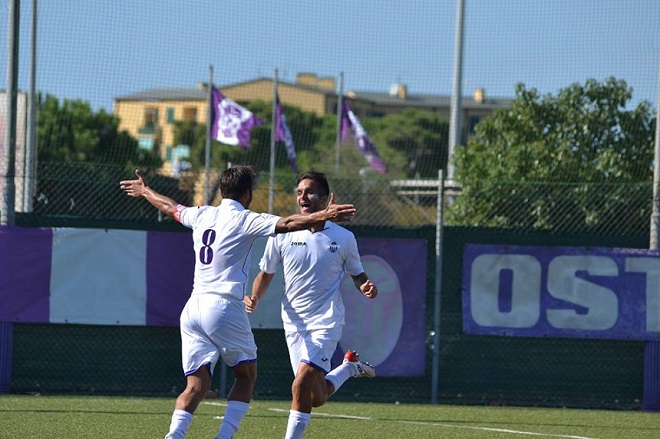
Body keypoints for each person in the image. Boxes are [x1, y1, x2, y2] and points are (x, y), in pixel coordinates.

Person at [119, 165, 356, 439]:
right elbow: (289, 224)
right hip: (223, 307)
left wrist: (146, 190)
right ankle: (224, 436)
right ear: (247, 193)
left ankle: (175, 434)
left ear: (222, 191)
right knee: (245, 377)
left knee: (196, 384)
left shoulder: (202, 214)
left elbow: (171, 207)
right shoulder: (244, 219)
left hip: (193, 308)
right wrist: (325, 214)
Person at [246, 171, 378, 439]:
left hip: (325, 322)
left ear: (327, 198)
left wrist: (366, 286)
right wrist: (255, 296)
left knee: (300, 385)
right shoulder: (283, 233)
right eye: (299, 192)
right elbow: (266, 272)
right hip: (293, 323)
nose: (303, 197)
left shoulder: (343, 238)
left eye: (310, 192)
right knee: (315, 396)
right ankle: (349, 368)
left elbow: (358, 274)